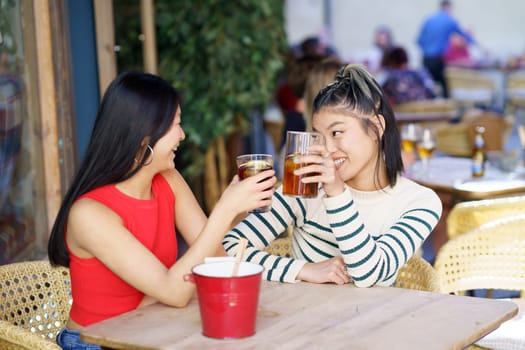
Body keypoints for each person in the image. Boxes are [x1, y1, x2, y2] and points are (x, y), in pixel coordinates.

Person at [47, 72, 277, 348]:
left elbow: (217, 258)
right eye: (176, 125)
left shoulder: (168, 181)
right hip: (98, 343)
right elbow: (175, 292)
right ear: (144, 136)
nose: (182, 135)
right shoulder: (89, 214)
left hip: (155, 328)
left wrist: (238, 206)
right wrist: (225, 209)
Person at [222, 64, 442, 286]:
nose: (326, 148)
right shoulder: (305, 186)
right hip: (306, 316)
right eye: (319, 136)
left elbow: (369, 274)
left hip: (374, 319)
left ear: (376, 127)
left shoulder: (419, 202)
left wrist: (337, 193)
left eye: (337, 132)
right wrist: (303, 270)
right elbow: (229, 249)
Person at [417, 0, 475, 98]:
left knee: (429, 86)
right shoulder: (449, 20)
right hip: (438, 59)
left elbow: (419, 40)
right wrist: (474, 42)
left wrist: (428, 49)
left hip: (426, 58)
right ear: (448, 7)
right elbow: (464, 36)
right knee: (445, 88)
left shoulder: (428, 20)